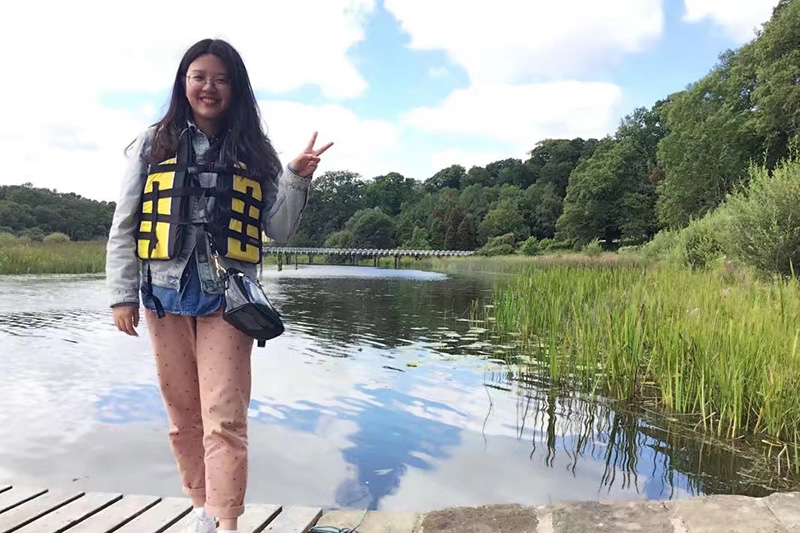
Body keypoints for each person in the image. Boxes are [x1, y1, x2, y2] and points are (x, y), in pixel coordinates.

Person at [106, 38, 332, 533]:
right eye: (199, 76)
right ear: (184, 83)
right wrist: (121, 295)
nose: (209, 87)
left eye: (221, 78)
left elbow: (279, 228)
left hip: (228, 300)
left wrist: (296, 177)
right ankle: (200, 510)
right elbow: (126, 223)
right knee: (182, 415)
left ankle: (226, 522)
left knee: (224, 416)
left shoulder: (255, 150)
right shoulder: (154, 142)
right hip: (164, 297)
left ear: (236, 88)